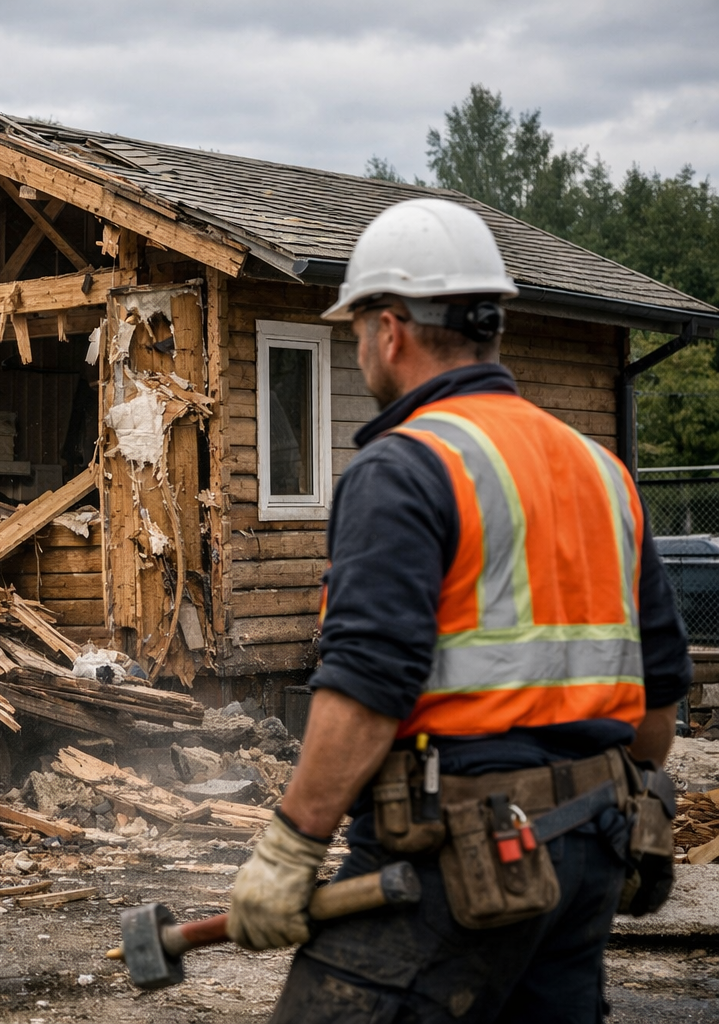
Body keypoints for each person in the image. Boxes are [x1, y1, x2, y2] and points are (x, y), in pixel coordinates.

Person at [226, 197, 691, 1023]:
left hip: (460, 854)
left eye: (358, 326)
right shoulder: (601, 470)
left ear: (391, 329)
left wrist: (292, 846)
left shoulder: (407, 466)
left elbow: (367, 687)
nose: (360, 345)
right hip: (591, 850)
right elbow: (658, 702)